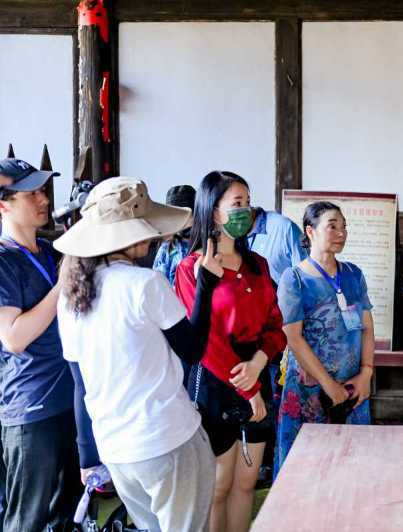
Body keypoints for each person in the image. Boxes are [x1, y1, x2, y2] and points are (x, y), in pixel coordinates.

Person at [55, 176, 220, 532]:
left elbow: (79, 385)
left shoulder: (70, 297)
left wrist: (88, 454)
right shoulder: (144, 285)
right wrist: (205, 284)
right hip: (167, 438)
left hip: (117, 449)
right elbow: (192, 349)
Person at [174, 171, 286, 532]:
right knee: (217, 486)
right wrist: (248, 387)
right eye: (237, 203)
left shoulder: (258, 266)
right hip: (214, 382)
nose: (246, 210)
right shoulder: (192, 269)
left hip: (257, 370)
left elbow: (275, 325)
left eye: (248, 202)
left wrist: (258, 364)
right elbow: (206, 343)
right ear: (214, 211)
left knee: (246, 483)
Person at [0, 158, 81, 531]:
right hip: (31, 409)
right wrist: (64, 280)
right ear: (4, 204)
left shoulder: (49, 253)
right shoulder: (4, 261)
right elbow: (14, 336)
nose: (43, 199)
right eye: (30, 193)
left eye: (43, 190)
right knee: (26, 522)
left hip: (69, 400)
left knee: (65, 514)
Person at [275, 201, 375, 474]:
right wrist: (328, 384)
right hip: (310, 388)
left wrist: (366, 373)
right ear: (310, 231)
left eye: (344, 227)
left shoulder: (353, 274)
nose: (341, 233)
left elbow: (367, 325)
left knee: (352, 466)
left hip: (352, 385)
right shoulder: (294, 279)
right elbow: (293, 338)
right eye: (332, 226)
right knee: (307, 468)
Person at [246, 203, 307, 485]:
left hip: (280, 331)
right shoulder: (232, 237)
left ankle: (272, 464)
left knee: (275, 397)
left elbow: (303, 273)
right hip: (248, 336)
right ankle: (258, 461)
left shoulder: (282, 228)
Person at [153, 185, 196, 285]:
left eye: (185, 215)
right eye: (174, 216)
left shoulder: (208, 243)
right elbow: (158, 285)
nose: (181, 222)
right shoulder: (166, 248)